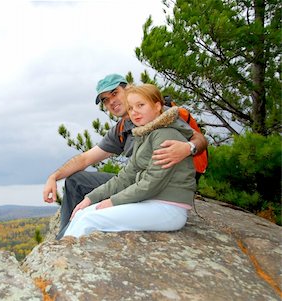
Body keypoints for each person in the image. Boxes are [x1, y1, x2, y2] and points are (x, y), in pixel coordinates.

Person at [43, 74, 208, 239]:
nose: (111, 102)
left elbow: (199, 139)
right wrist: (54, 177)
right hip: (143, 187)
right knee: (78, 189)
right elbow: (87, 159)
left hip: (165, 195)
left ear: (128, 89)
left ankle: (65, 248)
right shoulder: (133, 129)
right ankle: (63, 240)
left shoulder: (164, 119)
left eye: (114, 93)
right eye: (105, 100)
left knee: (90, 218)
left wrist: (188, 147)